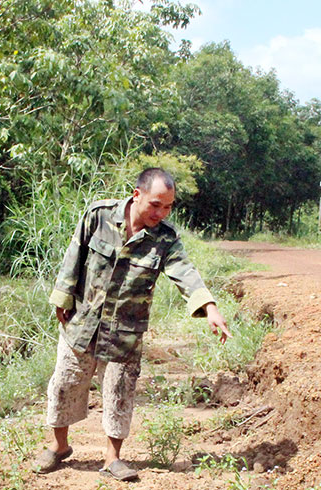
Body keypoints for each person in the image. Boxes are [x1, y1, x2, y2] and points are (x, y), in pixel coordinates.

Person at [32, 168, 231, 481]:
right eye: (155, 205)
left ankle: (113, 458)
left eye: (168, 207)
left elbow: (185, 272)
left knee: (120, 390)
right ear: (136, 194)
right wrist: (63, 295)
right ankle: (59, 447)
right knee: (64, 383)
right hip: (82, 321)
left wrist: (210, 307)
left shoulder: (165, 239)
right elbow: (75, 252)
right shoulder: (99, 215)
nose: (160, 213)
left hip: (125, 331)